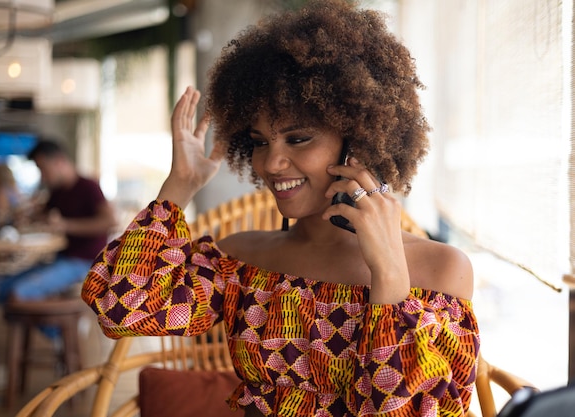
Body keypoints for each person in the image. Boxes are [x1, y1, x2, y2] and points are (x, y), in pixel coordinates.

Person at [81, 1, 480, 416]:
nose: (271, 164)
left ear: (359, 139)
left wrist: (390, 277)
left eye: (298, 138)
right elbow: (120, 309)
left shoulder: (441, 271)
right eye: (259, 141)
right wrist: (178, 186)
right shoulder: (242, 261)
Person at [0, 139, 117, 304]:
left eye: (43, 168)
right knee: (0, 290)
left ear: (59, 161)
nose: (42, 176)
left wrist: (65, 225)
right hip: (60, 258)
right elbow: (44, 216)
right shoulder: (57, 191)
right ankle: (57, 324)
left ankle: (64, 328)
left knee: (19, 295)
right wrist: (29, 216)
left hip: (86, 262)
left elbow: (109, 222)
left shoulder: (88, 186)